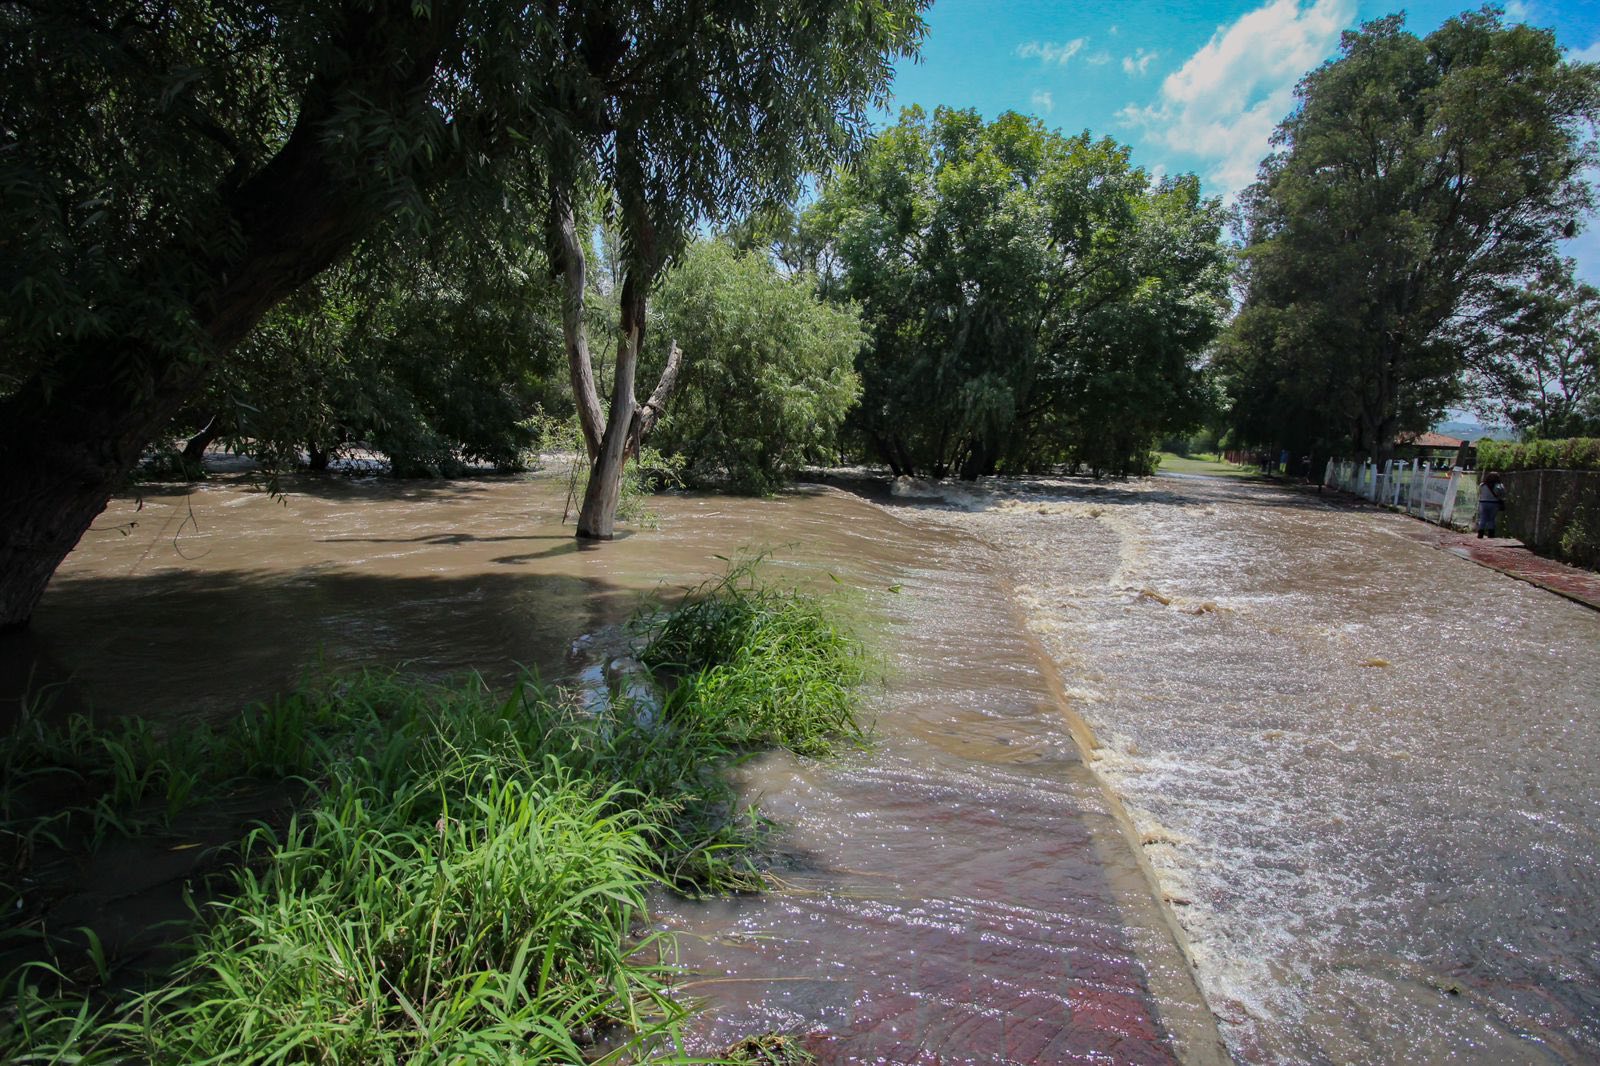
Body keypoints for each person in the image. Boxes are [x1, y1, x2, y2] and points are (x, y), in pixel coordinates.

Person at [1476, 471, 1507, 538]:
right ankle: (1491, 534)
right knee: (1491, 519)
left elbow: (1479, 492)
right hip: (1494, 503)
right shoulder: (1499, 485)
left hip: (1483, 502)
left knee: (1483, 518)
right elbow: (1503, 494)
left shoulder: (1482, 485)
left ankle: (1480, 534)